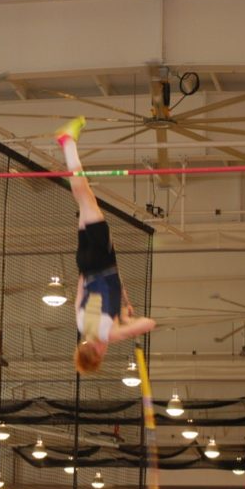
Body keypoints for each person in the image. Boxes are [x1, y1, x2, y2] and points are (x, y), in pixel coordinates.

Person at [56, 117, 156, 373]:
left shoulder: (109, 333)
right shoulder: (81, 325)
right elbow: (81, 291)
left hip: (103, 261)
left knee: (85, 193)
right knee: (83, 200)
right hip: (86, 265)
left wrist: (124, 321)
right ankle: (68, 147)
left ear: (98, 353)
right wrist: (121, 303)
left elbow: (149, 323)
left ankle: (68, 143)